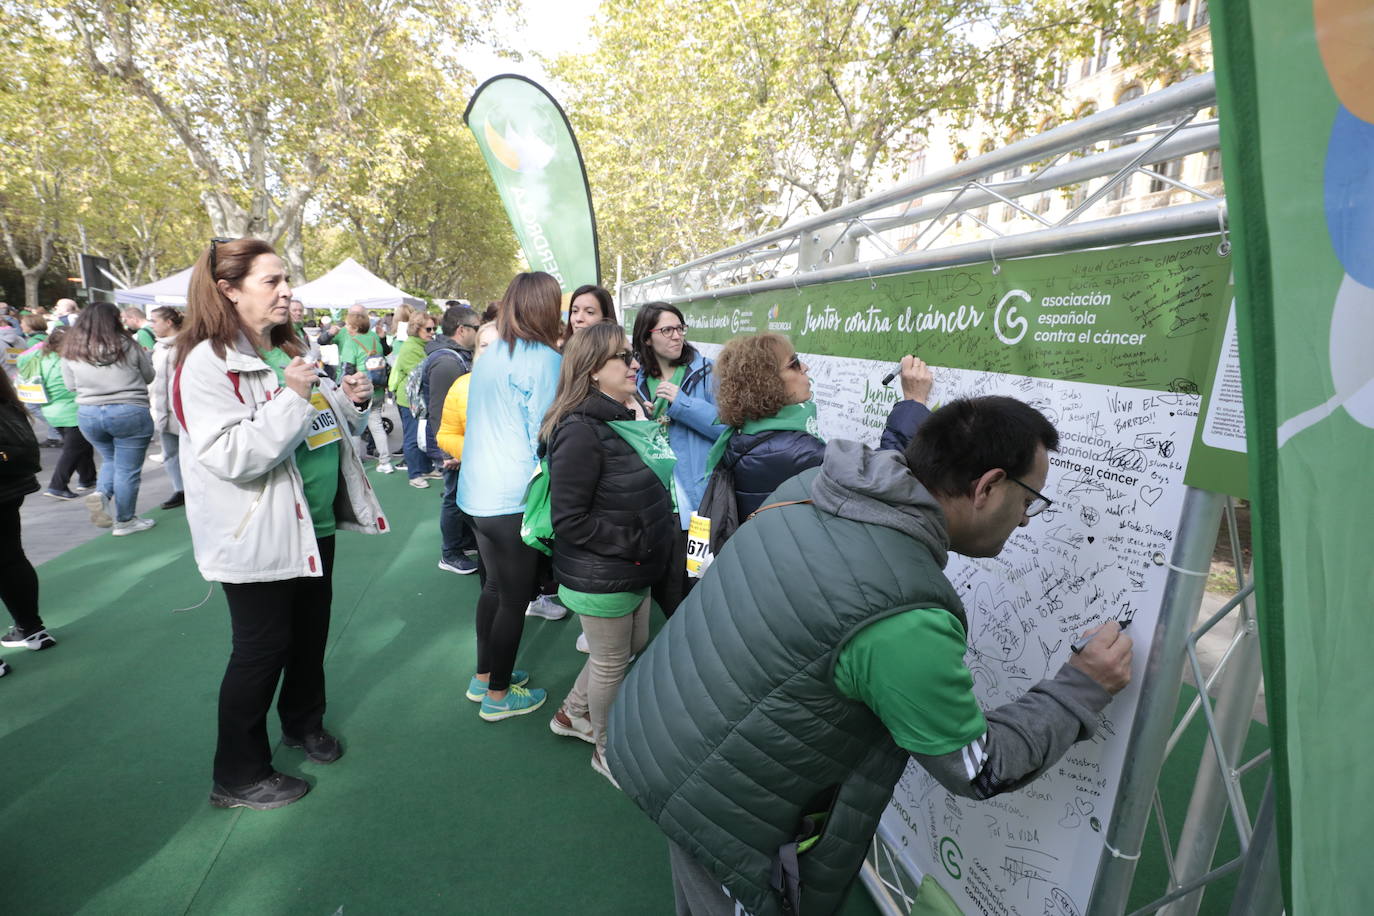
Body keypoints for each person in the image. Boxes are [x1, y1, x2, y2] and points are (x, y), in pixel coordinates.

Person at [608, 396, 1134, 916]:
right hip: (726, 805)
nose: (1024, 520)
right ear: (988, 486)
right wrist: (1080, 687)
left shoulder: (812, 488)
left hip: (666, 739)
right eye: (1028, 500)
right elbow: (978, 767)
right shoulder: (902, 617)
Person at [176, 236, 387, 810]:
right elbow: (231, 455)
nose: (287, 290)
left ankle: (303, 723)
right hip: (259, 534)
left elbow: (317, 426)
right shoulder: (205, 363)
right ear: (227, 290)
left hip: (311, 526)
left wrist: (351, 403)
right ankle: (238, 775)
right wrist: (293, 398)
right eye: (272, 281)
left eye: (284, 279)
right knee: (261, 651)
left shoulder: (284, 346)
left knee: (309, 635)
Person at [541, 323, 676, 782]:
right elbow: (570, 520)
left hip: (631, 566)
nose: (636, 363)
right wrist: (636, 543)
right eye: (625, 357)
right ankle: (605, 748)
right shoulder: (580, 429)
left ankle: (572, 713)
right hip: (607, 570)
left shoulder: (621, 415)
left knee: (631, 646)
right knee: (611, 662)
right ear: (594, 369)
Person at [455, 271, 563, 721]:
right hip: (513, 496)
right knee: (514, 599)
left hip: (476, 494)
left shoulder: (492, 354)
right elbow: (546, 434)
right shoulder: (545, 359)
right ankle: (499, 697)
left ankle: (485, 678)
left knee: (495, 588)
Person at [712, 336, 933, 518]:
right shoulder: (794, 452)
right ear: (767, 382)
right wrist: (913, 402)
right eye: (794, 363)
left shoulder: (747, 433)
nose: (805, 367)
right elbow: (883, 480)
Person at [631, 302, 725, 617]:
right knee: (664, 582)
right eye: (667, 330)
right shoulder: (635, 377)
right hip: (656, 501)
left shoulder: (708, 371)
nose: (676, 336)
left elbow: (728, 429)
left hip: (699, 499)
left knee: (697, 578)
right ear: (647, 337)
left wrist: (682, 405)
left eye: (680, 328)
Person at [61, 301, 157, 535]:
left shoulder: (71, 349)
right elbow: (149, 376)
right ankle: (125, 521)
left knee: (111, 459)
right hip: (129, 410)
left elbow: (70, 385)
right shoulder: (128, 344)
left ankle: (102, 494)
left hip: (89, 413)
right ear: (114, 319)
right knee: (127, 469)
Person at [0, 370, 56, 676]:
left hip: (8, 484)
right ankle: (32, 629)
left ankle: (30, 629)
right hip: (8, 485)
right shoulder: (6, 395)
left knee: (11, 557)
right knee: (11, 557)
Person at [419, 304, 479, 572]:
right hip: (451, 445)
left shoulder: (453, 357)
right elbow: (440, 410)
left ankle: (461, 542)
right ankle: (450, 552)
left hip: (456, 442)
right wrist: (448, 452)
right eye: (477, 329)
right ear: (462, 329)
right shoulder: (447, 361)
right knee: (453, 497)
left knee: (459, 495)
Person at [436, 321, 498, 575]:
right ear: (476, 351)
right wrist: (472, 452)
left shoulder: (523, 384)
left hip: (515, 488)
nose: (492, 352)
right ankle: (452, 552)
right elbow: (447, 433)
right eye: (485, 345)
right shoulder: (462, 386)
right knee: (491, 566)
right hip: (478, 486)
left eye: (500, 346)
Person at [16, 326, 96, 499]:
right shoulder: (69, 360)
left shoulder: (40, 357)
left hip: (51, 410)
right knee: (73, 449)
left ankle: (87, 478)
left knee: (81, 445)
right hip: (72, 410)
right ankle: (57, 486)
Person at [334, 305, 394, 473]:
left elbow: (347, 371)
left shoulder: (351, 342)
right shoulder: (375, 337)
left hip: (358, 391)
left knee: (353, 427)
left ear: (353, 327)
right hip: (378, 389)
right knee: (376, 425)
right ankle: (385, 462)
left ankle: (355, 462)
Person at [388, 312, 437, 487]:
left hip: (419, 399)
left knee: (421, 434)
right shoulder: (410, 347)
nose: (432, 332)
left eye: (434, 328)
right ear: (417, 329)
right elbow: (421, 375)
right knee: (412, 437)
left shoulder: (423, 345)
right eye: (429, 329)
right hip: (409, 400)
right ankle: (414, 474)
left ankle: (425, 468)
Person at [148, 306, 186, 509]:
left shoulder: (186, 346)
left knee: (193, 452)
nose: (151, 325)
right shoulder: (159, 347)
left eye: (154, 321)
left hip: (183, 410)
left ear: (169, 322)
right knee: (170, 452)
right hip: (162, 410)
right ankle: (179, 489)